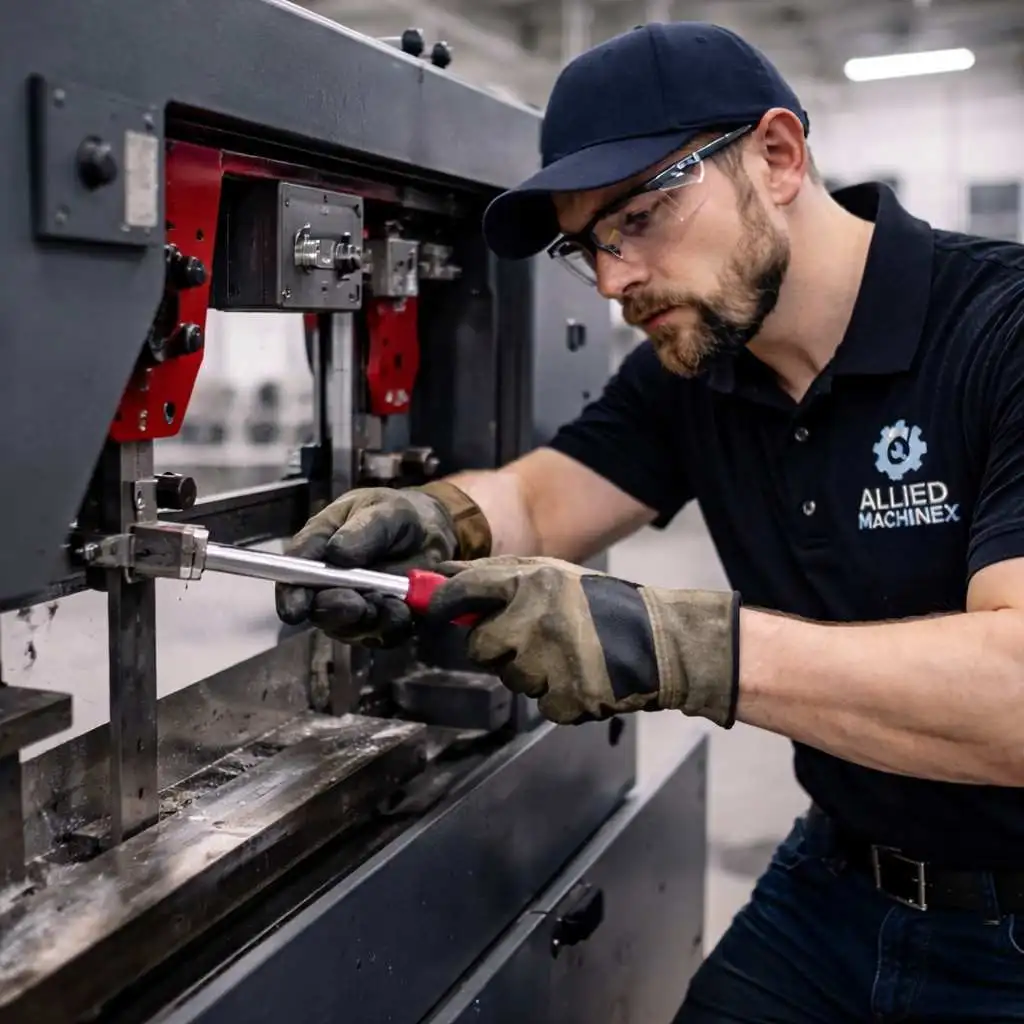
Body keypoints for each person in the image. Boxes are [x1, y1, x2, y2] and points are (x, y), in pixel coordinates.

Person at [276, 20, 1024, 1023]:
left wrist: (672, 644)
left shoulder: (999, 331)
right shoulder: (698, 366)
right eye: (588, 248)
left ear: (776, 156)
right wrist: (434, 519)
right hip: (836, 879)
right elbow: (543, 499)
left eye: (638, 216)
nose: (617, 278)